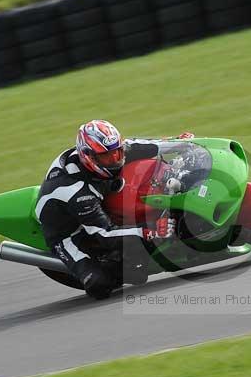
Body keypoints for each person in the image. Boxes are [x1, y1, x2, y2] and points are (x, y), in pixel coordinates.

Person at [36, 119, 192, 299]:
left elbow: (150, 145)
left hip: (96, 202)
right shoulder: (77, 192)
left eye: (117, 153)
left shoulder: (111, 150)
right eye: (106, 157)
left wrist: (180, 143)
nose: (114, 160)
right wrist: (151, 231)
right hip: (68, 233)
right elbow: (105, 235)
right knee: (101, 285)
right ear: (89, 157)